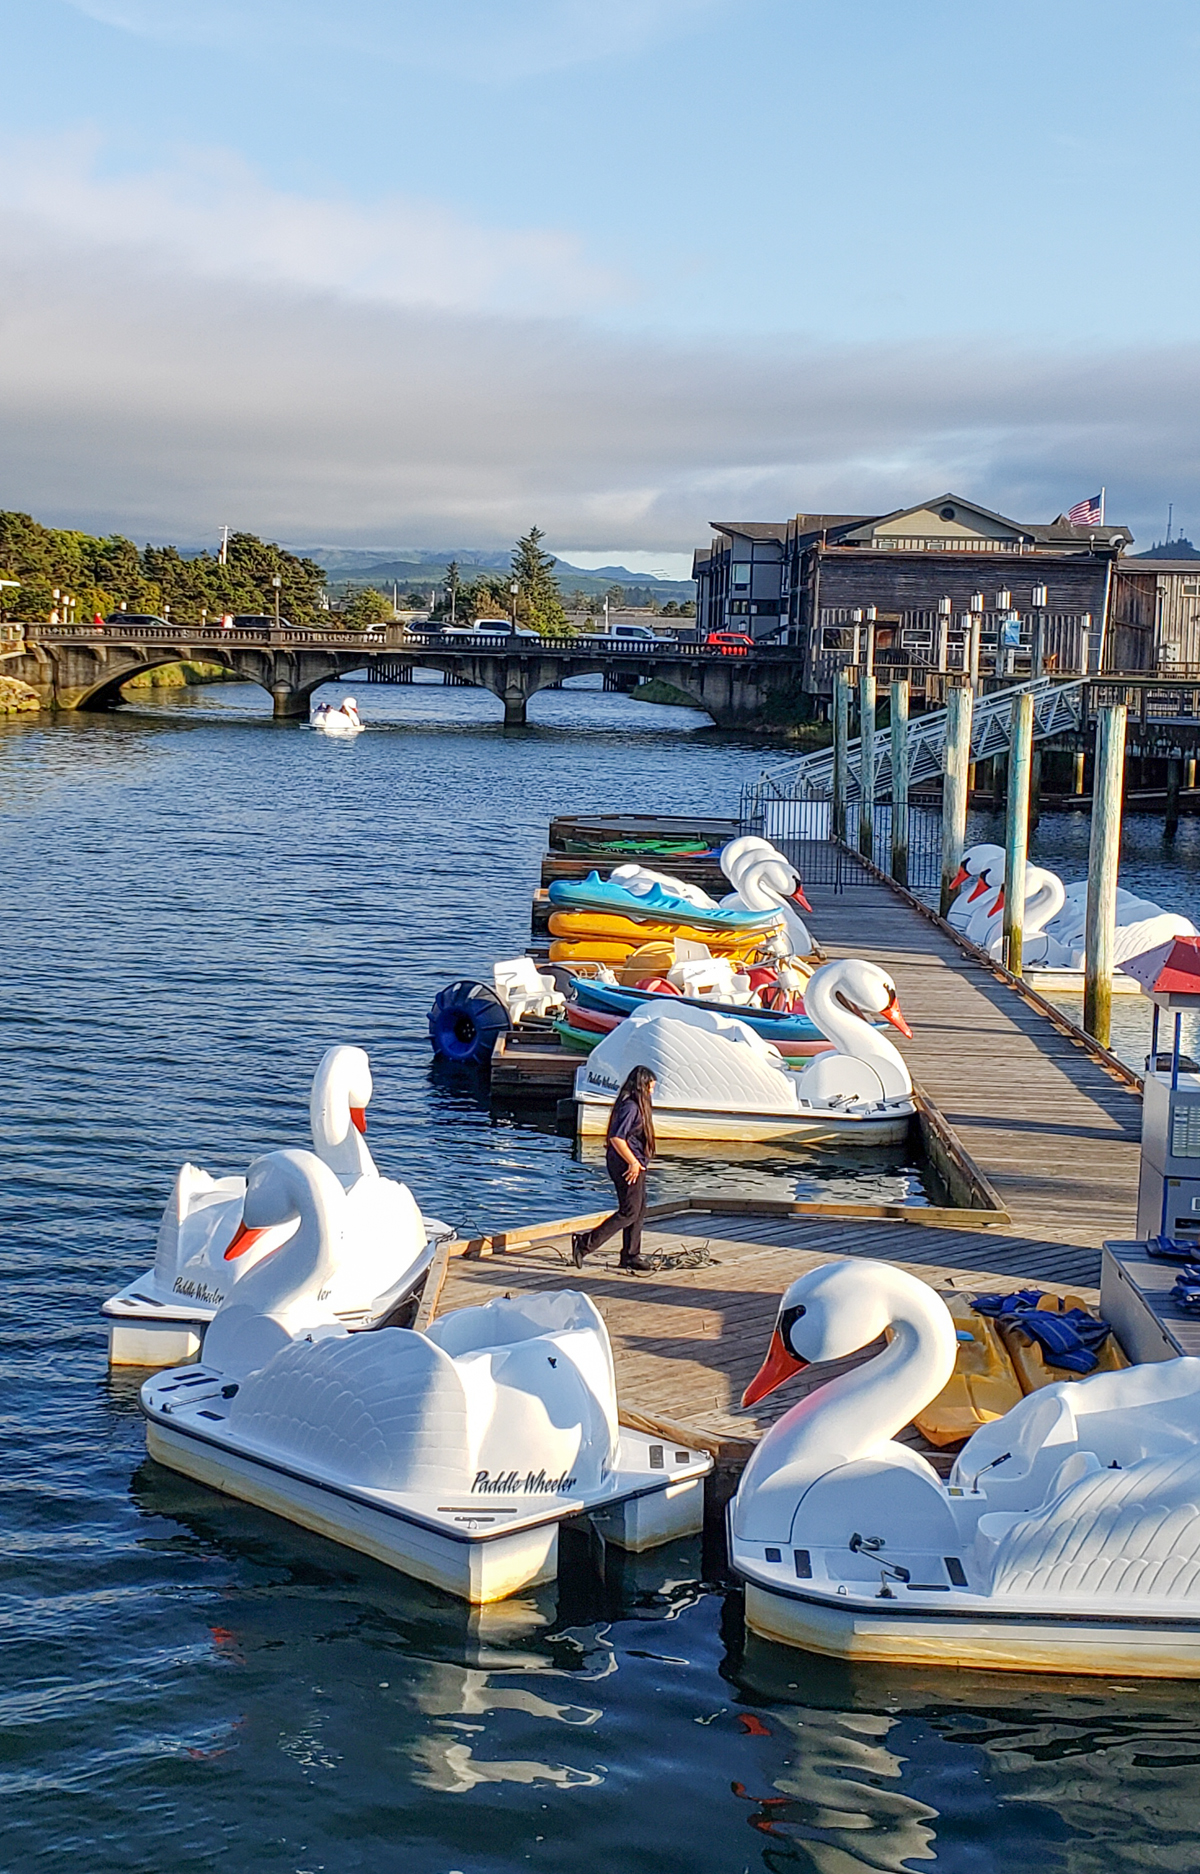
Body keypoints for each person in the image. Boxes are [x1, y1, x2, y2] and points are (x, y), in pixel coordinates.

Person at [572, 1064, 656, 1274]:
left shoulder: (636, 1105)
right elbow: (616, 1138)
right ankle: (585, 1243)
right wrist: (633, 1162)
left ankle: (630, 1254)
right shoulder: (631, 1107)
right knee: (629, 1211)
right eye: (650, 1087)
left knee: (639, 1209)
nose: (652, 1092)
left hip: (636, 1162)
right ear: (642, 1086)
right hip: (626, 1163)